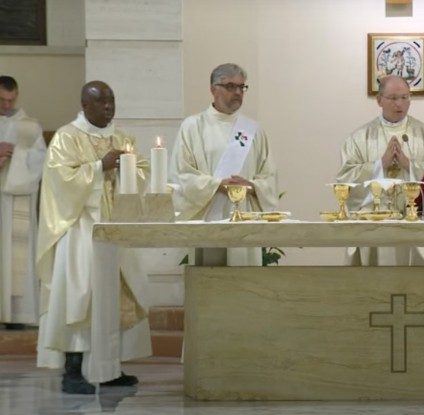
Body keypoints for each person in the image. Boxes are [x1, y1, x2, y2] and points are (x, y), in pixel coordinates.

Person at [36, 81, 151, 394]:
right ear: (85, 105)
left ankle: (110, 367)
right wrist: (99, 167)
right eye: (101, 103)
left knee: (116, 294)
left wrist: (129, 168)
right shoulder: (66, 137)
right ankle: (72, 372)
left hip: (115, 228)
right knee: (79, 297)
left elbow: (141, 171)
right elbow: (60, 180)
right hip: (80, 229)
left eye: (112, 101)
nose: (109, 108)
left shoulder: (122, 137)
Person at [169, 63, 278, 266]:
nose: (237, 92)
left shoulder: (252, 131)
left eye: (241, 87)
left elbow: (269, 176)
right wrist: (217, 184)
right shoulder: (193, 127)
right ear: (213, 89)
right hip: (209, 215)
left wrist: (252, 186)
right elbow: (181, 175)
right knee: (210, 281)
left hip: (244, 215)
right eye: (230, 86)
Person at [336, 75, 424, 265]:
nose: (400, 104)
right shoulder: (360, 137)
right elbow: (344, 180)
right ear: (379, 100)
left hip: (417, 221)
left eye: (405, 97)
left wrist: (409, 165)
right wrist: (380, 165)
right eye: (394, 98)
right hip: (375, 223)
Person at [0, 76, 46, 330]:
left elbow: (41, 162)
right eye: (1, 100)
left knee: (14, 257)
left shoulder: (29, 127)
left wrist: (15, 155)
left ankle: (16, 314)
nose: (7, 105)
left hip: (15, 202)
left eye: (11, 99)